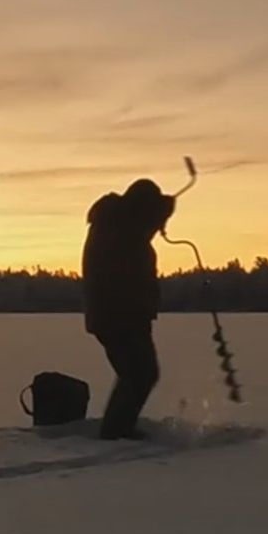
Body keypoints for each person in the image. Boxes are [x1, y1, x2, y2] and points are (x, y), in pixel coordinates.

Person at [82, 178, 175, 440]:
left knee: (137, 373)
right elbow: (140, 229)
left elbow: (142, 227)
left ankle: (118, 428)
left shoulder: (114, 221)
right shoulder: (119, 225)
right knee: (141, 373)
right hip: (121, 314)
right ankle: (116, 431)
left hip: (118, 313)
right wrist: (163, 208)